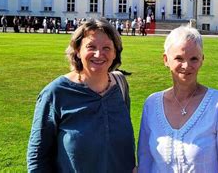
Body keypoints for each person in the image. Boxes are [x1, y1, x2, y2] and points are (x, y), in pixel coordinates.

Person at [27, 18, 136, 172]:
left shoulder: (120, 85)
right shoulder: (56, 93)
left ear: (115, 53)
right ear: (78, 51)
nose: (99, 54)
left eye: (107, 48)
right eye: (91, 46)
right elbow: (37, 158)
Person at [138, 26, 218, 172]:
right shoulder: (152, 104)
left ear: (202, 60)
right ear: (166, 59)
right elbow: (145, 161)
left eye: (193, 59)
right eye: (179, 58)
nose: (186, 66)